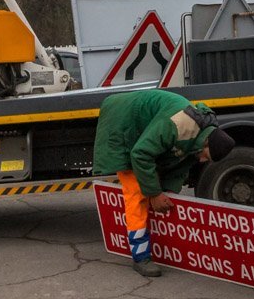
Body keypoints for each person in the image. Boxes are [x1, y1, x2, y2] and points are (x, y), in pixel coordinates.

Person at [92, 88, 236, 277]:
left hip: (144, 127)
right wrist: (154, 193)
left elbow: (180, 166)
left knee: (153, 184)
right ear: (206, 143)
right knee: (137, 193)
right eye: (205, 156)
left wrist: (167, 192)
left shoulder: (200, 136)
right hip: (122, 122)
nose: (202, 160)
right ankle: (140, 256)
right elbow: (141, 154)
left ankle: (152, 240)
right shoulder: (179, 125)